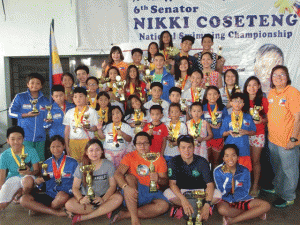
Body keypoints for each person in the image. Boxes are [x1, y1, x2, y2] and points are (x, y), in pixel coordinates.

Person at [113, 132, 169, 225]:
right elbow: (118, 174)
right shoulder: (129, 156)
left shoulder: (158, 158)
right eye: (139, 143)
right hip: (133, 191)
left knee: (164, 206)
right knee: (130, 177)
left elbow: (165, 182)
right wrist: (125, 187)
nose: (142, 146)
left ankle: (127, 214)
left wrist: (158, 179)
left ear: (150, 144)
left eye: (145, 143)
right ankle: (135, 220)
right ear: (135, 145)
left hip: (152, 191)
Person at [164, 135, 220, 223]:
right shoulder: (174, 161)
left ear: (193, 148)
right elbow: (172, 184)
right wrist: (183, 200)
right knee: (166, 193)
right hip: (183, 192)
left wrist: (206, 204)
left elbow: (210, 184)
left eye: (189, 147)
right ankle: (193, 207)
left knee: (218, 194)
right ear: (178, 149)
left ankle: (192, 208)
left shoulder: (202, 161)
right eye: (183, 148)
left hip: (200, 192)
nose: (187, 151)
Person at [65, 139, 123, 224]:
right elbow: (75, 187)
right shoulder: (81, 166)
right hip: (86, 198)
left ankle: (83, 217)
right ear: (86, 152)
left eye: (97, 150)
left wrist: (103, 199)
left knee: (119, 198)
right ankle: (104, 210)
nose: (94, 153)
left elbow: (113, 186)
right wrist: (80, 199)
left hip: (104, 197)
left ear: (102, 152)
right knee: (69, 205)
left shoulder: (108, 164)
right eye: (91, 150)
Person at [267, 65, 300, 207]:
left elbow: (297, 118)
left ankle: (288, 196)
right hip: (273, 139)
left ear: (287, 77)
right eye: (275, 75)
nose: (279, 77)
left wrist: (293, 139)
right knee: (277, 167)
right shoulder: (271, 93)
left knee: (289, 169)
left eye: (282, 74)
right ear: (271, 78)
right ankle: (278, 188)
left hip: (288, 141)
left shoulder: (293, 92)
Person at [20, 135, 78, 216]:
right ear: (49, 148)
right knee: (24, 199)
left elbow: (78, 183)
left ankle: (40, 209)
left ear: (64, 146)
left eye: (58, 146)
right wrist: (38, 181)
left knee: (62, 196)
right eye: (53, 147)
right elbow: (41, 184)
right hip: (49, 194)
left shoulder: (73, 162)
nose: (55, 149)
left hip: (65, 194)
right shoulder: (46, 163)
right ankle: (56, 212)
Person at [214, 144, 270, 225]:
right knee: (222, 210)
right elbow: (222, 191)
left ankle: (232, 220)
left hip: (241, 198)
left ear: (237, 157)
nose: (230, 159)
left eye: (233, 155)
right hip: (225, 199)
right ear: (223, 158)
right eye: (227, 156)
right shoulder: (218, 171)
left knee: (266, 205)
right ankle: (253, 213)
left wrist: (236, 202)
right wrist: (229, 177)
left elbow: (245, 190)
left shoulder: (244, 170)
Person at [9, 73, 50, 161]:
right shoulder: (20, 97)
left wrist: (47, 122)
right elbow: (11, 112)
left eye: (38, 83)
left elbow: (47, 120)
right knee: (25, 161)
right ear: (27, 84)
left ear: (41, 86)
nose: (34, 85)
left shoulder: (45, 101)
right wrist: (26, 115)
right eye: (32, 82)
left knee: (39, 162)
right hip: (25, 137)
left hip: (40, 137)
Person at [0, 126, 40, 210]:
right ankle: (18, 192)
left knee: (28, 181)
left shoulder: (31, 150)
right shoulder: (4, 155)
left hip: (28, 177)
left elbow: (37, 170)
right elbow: (2, 177)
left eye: (19, 138)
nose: (16, 142)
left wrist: (29, 173)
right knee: (2, 205)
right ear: (7, 140)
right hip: (12, 178)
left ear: (23, 139)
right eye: (12, 139)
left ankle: (22, 196)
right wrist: (2, 191)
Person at [243, 76, 269, 197]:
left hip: (258, 134)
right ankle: (244, 184)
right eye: (249, 85)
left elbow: (269, 117)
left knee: (255, 161)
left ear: (258, 86)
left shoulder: (263, 100)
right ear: (246, 87)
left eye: (254, 85)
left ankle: (255, 185)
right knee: (244, 160)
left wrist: (262, 120)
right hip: (243, 134)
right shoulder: (242, 100)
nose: (251, 87)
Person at [220, 93, 256, 172]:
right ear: (231, 103)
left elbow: (254, 131)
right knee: (230, 173)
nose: (237, 104)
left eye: (240, 101)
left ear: (243, 104)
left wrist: (247, 132)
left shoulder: (248, 117)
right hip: (230, 151)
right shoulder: (227, 118)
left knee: (244, 173)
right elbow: (222, 133)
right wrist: (229, 132)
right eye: (235, 101)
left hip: (244, 150)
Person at [63, 87, 99, 162]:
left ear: (86, 98)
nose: (78, 99)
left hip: (87, 142)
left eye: (81, 96)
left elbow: (96, 128)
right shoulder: (69, 112)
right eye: (75, 97)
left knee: (87, 164)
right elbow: (67, 130)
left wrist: (89, 128)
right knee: (74, 165)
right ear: (72, 98)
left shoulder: (92, 112)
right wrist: (67, 146)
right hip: (73, 142)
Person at [202, 86, 228, 169]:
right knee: (205, 161)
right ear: (206, 96)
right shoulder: (202, 107)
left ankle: (214, 179)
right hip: (206, 137)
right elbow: (199, 121)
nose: (212, 96)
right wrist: (209, 125)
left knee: (216, 161)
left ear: (218, 95)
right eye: (209, 94)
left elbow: (227, 121)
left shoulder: (222, 107)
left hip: (218, 137)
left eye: (214, 94)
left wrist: (221, 123)